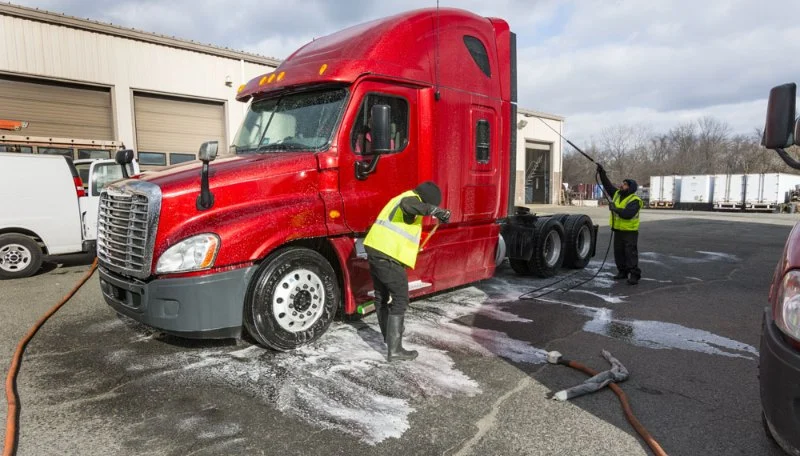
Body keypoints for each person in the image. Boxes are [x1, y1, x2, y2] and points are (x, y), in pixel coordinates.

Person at [363, 181, 451, 361]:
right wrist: (435, 211)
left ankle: (390, 340)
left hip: (375, 250)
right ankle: (395, 350)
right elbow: (408, 206)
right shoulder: (410, 199)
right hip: (388, 256)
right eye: (433, 204)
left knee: (381, 295)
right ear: (428, 199)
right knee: (400, 298)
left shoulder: (400, 197)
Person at [596, 164, 644, 285]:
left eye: (625, 184)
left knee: (630, 253)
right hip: (618, 230)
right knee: (619, 252)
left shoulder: (635, 200)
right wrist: (602, 173)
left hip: (629, 231)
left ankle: (634, 274)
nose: (622, 185)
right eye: (623, 184)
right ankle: (622, 272)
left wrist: (615, 209)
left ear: (630, 187)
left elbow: (627, 214)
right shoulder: (617, 194)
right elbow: (608, 186)